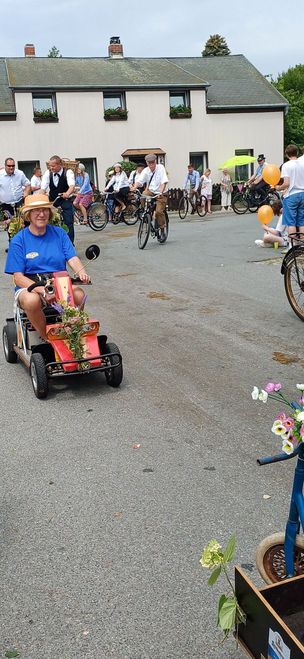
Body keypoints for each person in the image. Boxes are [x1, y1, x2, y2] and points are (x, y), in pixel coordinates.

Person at [4, 194, 90, 341]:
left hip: (58, 283)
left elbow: (72, 258)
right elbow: (18, 278)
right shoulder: (19, 240)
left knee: (79, 295)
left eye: (45, 210)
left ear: (50, 213)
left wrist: (82, 272)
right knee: (32, 301)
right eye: (36, 210)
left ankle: (70, 330)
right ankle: (47, 338)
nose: (42, 214)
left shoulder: (60, 234)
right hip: (30, 286)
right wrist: (42, 290)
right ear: (28, 214)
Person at [132, 153, 169, 241]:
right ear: (147, 163)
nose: (151, 165)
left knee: (159, 211)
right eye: (149, 163)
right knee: (143, 196)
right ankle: (146, 213)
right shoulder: (146, 170)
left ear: (155, 161)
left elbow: (164, 181)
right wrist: (134, 187)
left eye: (153, 162)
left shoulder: (161, 168)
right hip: (151, 191)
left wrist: (160, 192)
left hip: (161, 192)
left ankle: (163, 230)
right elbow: (140, 181)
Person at [41, 155, 75, 244]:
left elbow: (72, 185)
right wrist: (40, 196)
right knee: (49, 222)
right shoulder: (48, 173)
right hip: (53, 201)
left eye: (53, 166)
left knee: (68, 223)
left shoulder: (68, 172)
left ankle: (70, 244)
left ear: (59, 164)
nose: (51, 168)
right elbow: (43, 188)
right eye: (50, 166)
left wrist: (67, 193)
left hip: (64, 199)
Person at [274, 144, 304, 241]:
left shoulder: (286, 165)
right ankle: (302, 243)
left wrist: (278, 188)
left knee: (291, 222)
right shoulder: (302, 163)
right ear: (297, 153)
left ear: (286, 154)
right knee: (301, 221)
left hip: (291, 195)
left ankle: (292, 244)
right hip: (302, 193)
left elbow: (286, 183)